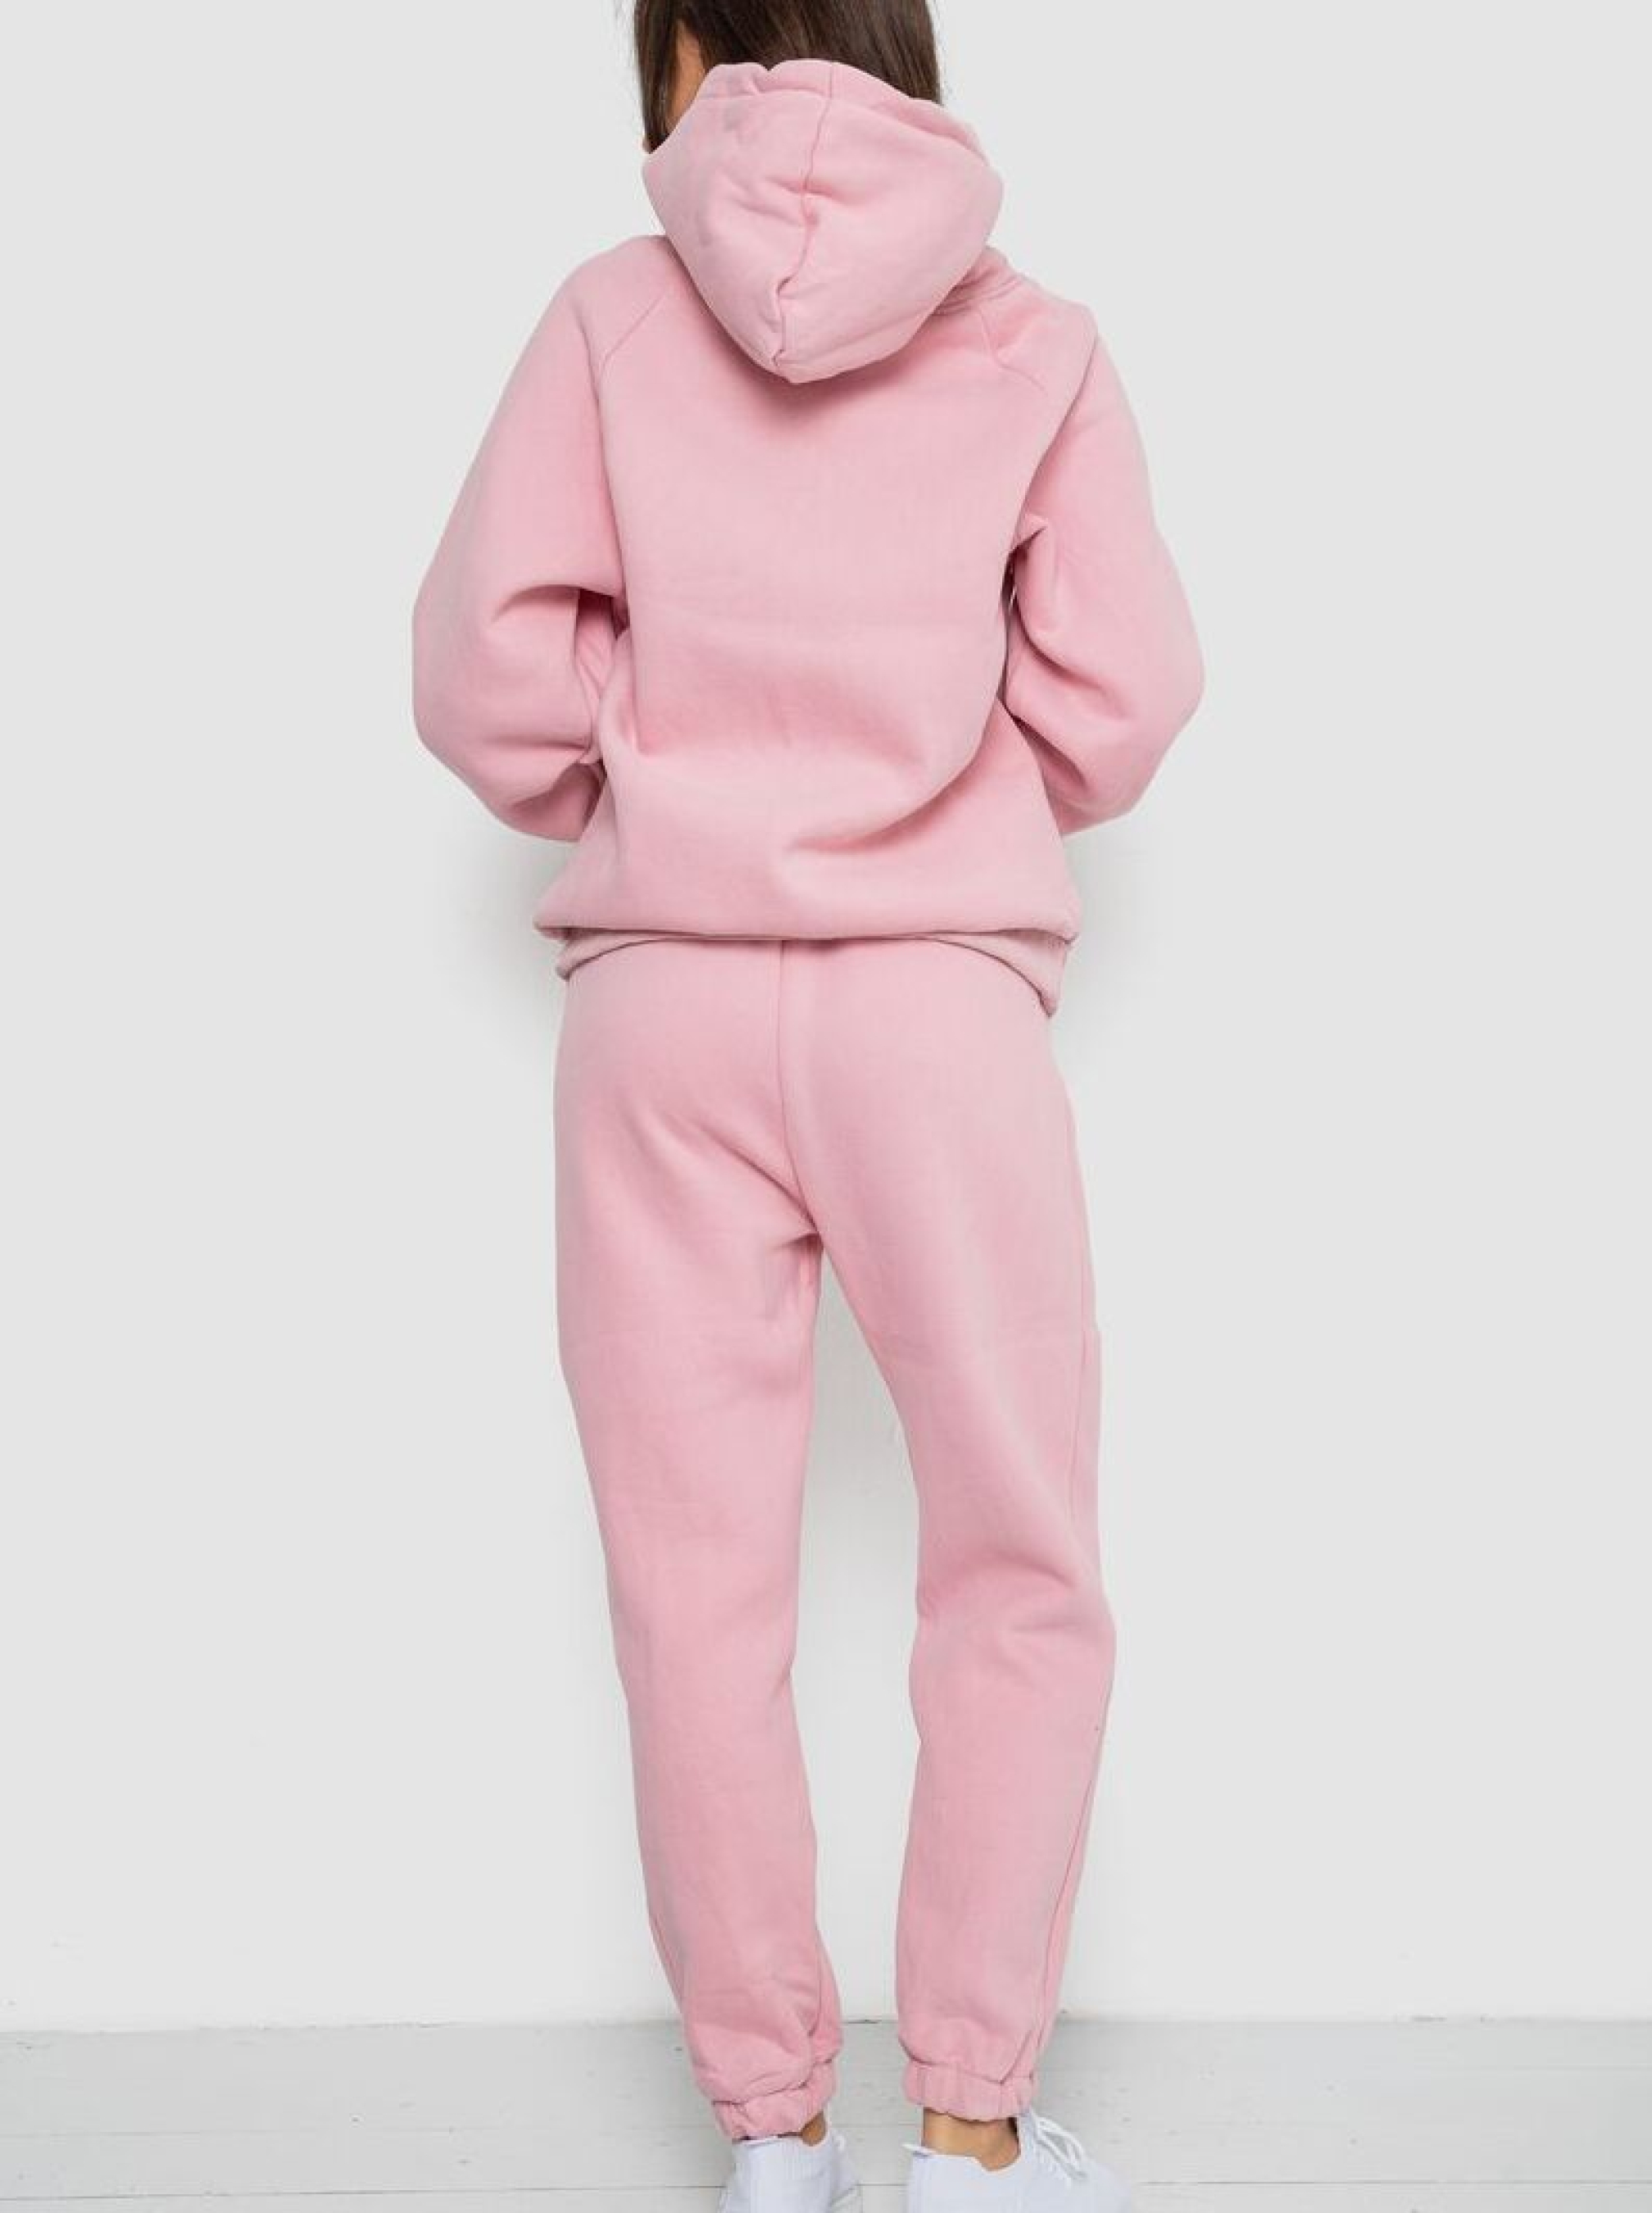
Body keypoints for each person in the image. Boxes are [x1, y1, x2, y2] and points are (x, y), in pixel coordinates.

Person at [413, 2, 1203, 2205]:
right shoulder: (1032, 340)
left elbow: (481, 679)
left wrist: (663, 769)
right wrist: (928, 784)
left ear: (685, 51)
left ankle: (772, 2137)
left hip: (659, 1011)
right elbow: (1126, 694)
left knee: (694, 1587)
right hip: (932, 1011)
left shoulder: (606, 315)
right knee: (1015, 1552)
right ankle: (965, 2131)